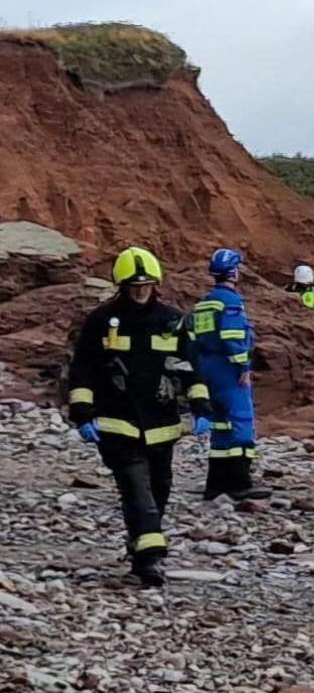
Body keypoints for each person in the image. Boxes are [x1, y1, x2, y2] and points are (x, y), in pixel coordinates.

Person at [66, 246, 212, 587]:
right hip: (117, 422)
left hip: (162, 424)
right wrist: (83, 412)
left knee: (159, 489)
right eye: (133, 286)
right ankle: (150, 561)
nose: (140, 291)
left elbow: (191, 367)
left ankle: (139, 548)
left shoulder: (171, 321)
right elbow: (82, 369)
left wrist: (201, 406)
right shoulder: (101, 321)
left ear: (156, 284)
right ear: (121, 286)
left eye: (145, 285)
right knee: (135, 489)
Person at [187, 248, 269, 501]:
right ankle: (240, 482)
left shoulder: (203, 304)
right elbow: (232, 338)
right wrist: (243, 367)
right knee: (241, 423)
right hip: (228, 370)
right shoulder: (231, 302)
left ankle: (216, 483)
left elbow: (193, 338)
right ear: (233, 271)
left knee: (220, 425)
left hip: (207, 368)